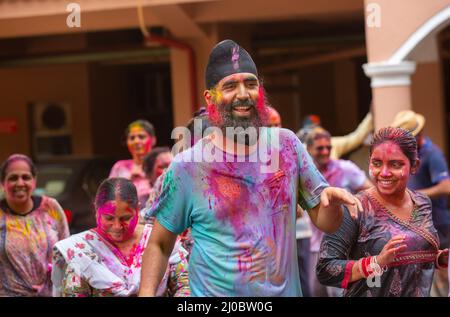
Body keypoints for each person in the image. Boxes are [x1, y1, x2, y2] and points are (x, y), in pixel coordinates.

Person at [139, 39, 361, 297]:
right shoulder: (187, 165)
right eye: (230, 86)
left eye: (251, 84)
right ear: (210, 98)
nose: (243, 94)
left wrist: (331, 203)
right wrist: (146, 292)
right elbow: (160, 243)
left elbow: (327, 223)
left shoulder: (287, 146)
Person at [316, 127, 449, 297]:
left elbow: (413, 247)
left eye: (395, 164)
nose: (384, 173)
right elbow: (325, 269)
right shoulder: (355, 207)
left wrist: (437, 258)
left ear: (414, 166)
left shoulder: (421, 204)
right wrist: (376, 262)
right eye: (377, 163)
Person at [51, 177, 189, 297]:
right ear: (95, 210)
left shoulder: (158, 238)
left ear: (138, 209)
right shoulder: (79, 250)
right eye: (109, 218)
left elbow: (185, 286)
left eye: (125, 218)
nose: (117, 226)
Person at [299, 126, 371, 297]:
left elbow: (370, 191)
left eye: (328, 147)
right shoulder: (306, 175)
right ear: (308, 149)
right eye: (320, 148)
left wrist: (352, 205)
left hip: (342, 246)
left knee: (339, 293)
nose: (325, 152)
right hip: (315, 245)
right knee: (315, 292)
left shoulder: (345, 168)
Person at [391, 110, 450, 296]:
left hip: (436, 226)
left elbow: (446, 187)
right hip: (417, 227)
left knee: (438, 281)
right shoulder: (407, 155)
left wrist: (416, 195)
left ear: (418, 134)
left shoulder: (432, 154)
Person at [0, 154, 69, 296]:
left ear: (34, 181)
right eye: (13, 178)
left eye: (26, 177)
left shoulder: (50, 207)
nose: (20, 183)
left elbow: (67, 252)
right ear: (2, 183)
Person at [109, 119, 157, 207]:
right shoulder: (119, 167)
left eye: (141, 137)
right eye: (132, 138)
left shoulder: (160, 165)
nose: (136, 141)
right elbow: (109, 198)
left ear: (153, 140)